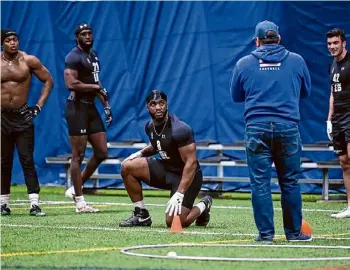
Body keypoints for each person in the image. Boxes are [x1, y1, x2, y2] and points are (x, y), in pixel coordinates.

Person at [230, 21, 312, 242]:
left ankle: (266, 235)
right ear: (279, 38)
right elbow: (306, 92)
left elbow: (236, 96)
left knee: (260, 183)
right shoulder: (297, 61)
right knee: (290, 182)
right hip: (288, 127)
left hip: (257, 129)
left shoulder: (244, 64)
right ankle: (294, 234)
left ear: (257, 41)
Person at [119, 90, 212, 228]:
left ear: (166, 105)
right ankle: (141, 215)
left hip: (188, 176)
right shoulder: (149, 126)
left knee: (175, 222)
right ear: (147, 107)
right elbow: (157, 145)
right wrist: (140, 153)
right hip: (166, 170)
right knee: (127, 166)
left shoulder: (180, 129)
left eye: (161, 103)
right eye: (153, 104)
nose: (158, 107)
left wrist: (180, 193)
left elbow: (191, 163)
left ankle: (204, 204)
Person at [1, 29, 53, 216]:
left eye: (15, 39)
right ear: (2, 43)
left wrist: (38, 107)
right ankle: (4, 203)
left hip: (23, 116)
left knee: (27, 159)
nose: (13, 43)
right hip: (2, 118)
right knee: (3, 162)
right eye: (8, 40)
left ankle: (34, 204)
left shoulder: (29, 60)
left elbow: (48, 80)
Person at [63, 23, 113, 213]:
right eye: (83, 34)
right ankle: (80, 202)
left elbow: (96, 82)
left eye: (90, 33)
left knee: (101, 152)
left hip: (91, 107)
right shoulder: (73, 56)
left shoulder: (93, 55)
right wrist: (95, 88)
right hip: (76, 108)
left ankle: (75, 189)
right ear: (77, 37)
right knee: (78, 155)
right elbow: (71, 83)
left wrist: (106, 105)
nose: (88, 36)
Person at [326, 28, 350, 218]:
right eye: (329, 44)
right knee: (344, 163)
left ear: (344, 43)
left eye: (335, 43)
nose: (332, 47)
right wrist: (329, 119)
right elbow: (333, 93)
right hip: (338, 119)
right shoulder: (332, 65)